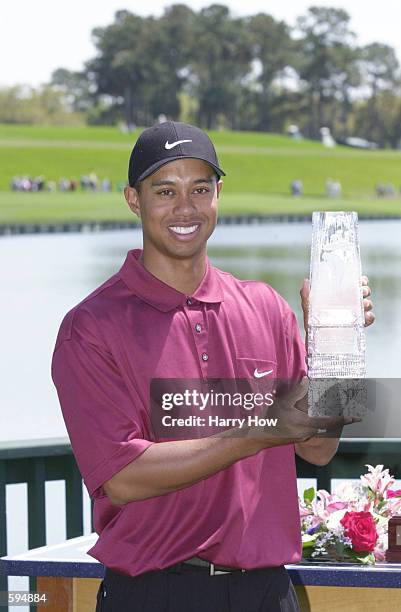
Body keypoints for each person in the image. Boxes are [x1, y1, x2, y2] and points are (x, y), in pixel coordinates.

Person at [51, 121, 375, 612]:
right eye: (166, 191)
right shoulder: (91, 327)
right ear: (133, 200)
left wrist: (333, 344)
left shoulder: (266, 306)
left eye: (200, 189)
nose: (186, 208)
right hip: (155, 594)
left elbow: (320, 447)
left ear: (218, 194)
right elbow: (122, 477)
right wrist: (257, 431)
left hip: (266, 592)